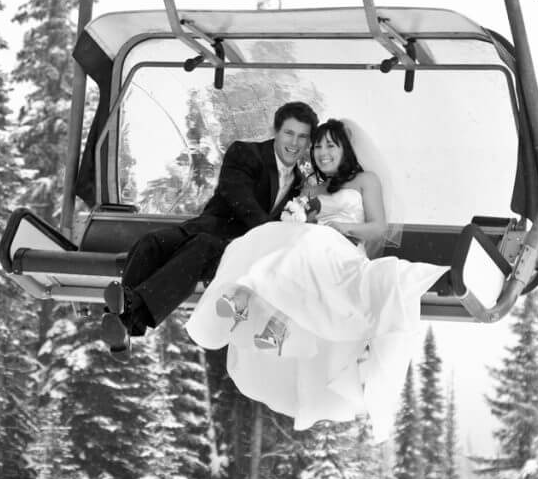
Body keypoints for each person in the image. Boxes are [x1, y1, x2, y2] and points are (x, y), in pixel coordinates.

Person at [185, 118, 448, 441]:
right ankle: (256, 307)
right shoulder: (312, 186)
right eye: (319, 146)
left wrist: (344, 229)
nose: (323, 152)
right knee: (275, 236)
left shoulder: (366, 181)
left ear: (345, 150)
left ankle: (263, 311)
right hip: (314, 251)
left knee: (309, 244)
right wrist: (299, 216)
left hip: (346, 251)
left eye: (330, 145)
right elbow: (302, 221)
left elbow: (379, 227)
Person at [101, 101, 320, 352]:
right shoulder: (246, 153)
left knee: (202, 247)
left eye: (302, 137)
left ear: (308, 142)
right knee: (150, 243)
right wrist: (266, 231)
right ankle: (125, 327)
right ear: (276, 131)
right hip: (211, 229)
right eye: (289, 133)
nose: (294, 143)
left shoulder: (300, 187)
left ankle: (128, 310)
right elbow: (237, 196)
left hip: (235, 256)